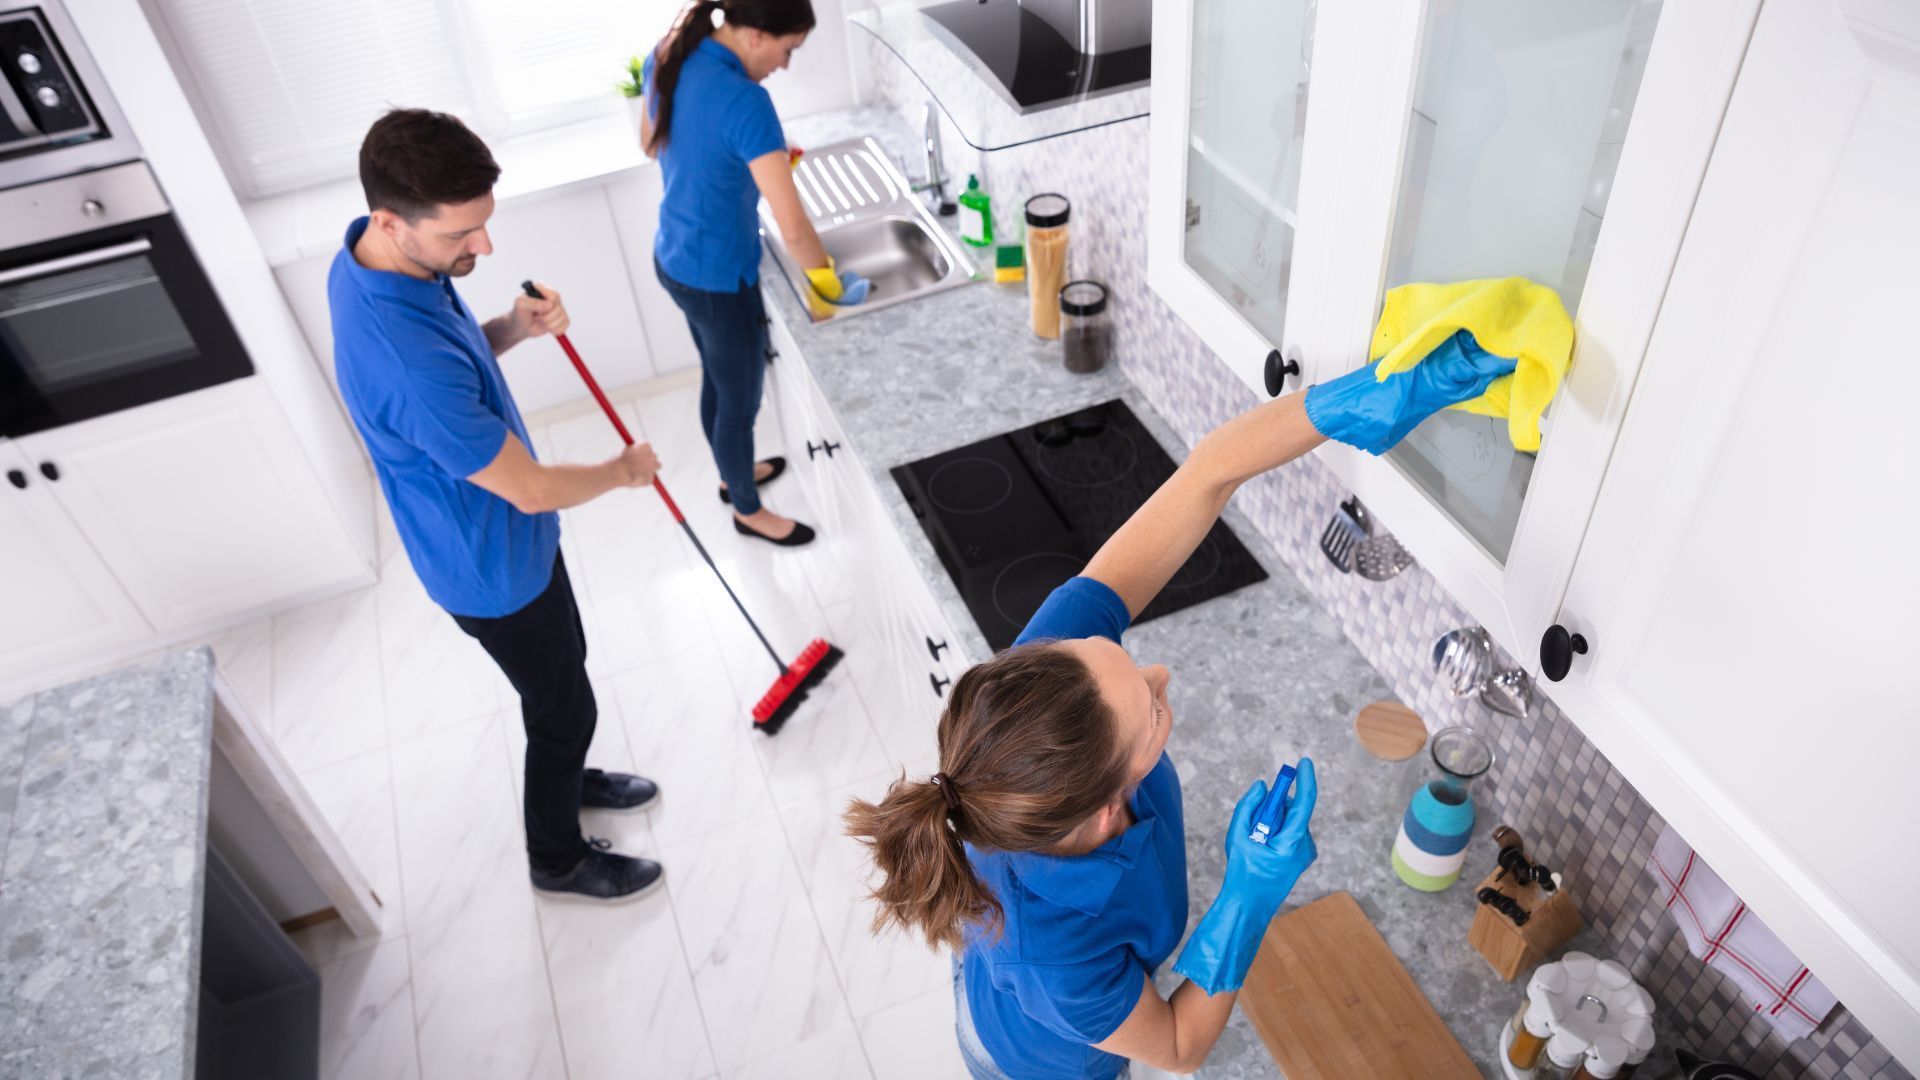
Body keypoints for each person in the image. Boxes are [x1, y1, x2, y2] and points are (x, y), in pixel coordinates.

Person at [845, 332, 1518, 1077]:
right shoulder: (1056, 951)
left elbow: (1207, 475)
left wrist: (1348, 403)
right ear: (1107, 808)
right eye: (1152, 712)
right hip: (1036, 1060)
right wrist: (1249, 893)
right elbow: (1176, 1045)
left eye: (1129, 665)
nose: (1158, 673)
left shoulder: (1047, 688)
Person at [329, 109, 665, 903]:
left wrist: (512, 325)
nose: (483, 248)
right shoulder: (404, 360)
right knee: (561, 710)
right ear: (391, 220)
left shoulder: (374, 260)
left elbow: (457, 364)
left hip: (503, 542)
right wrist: (622, 470)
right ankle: (556, 860)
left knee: (564, 679)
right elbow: (531, 487)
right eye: (463, 236)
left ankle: (572, 773)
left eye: (484, 225)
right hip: (491, 567)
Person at [639, 0, 869, 547]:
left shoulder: (674, 53)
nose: (786, 64)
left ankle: (728, 473)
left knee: (716, 381)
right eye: (789, 50)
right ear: (758, 35)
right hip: (720, 278)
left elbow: (653, 144)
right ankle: (746, 508)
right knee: (739, 402)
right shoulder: (748, 102)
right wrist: (827, 283)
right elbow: (794, 229)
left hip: (674, 255)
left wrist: (750, 158)